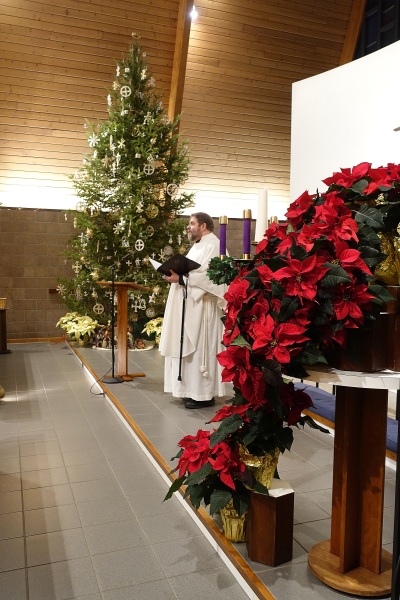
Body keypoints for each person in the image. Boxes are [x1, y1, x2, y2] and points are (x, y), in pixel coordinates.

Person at [159, 212, 227, 409]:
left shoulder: (214, 246)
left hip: (203, 308)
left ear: (203, 226)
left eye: (191, 223)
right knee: (187, 348)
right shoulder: (198, 246)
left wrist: (180, 278)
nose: (188, 227)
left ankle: (203, 394)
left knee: (200, 350)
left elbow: (211, 278)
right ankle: (190, 390)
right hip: (190, 305)